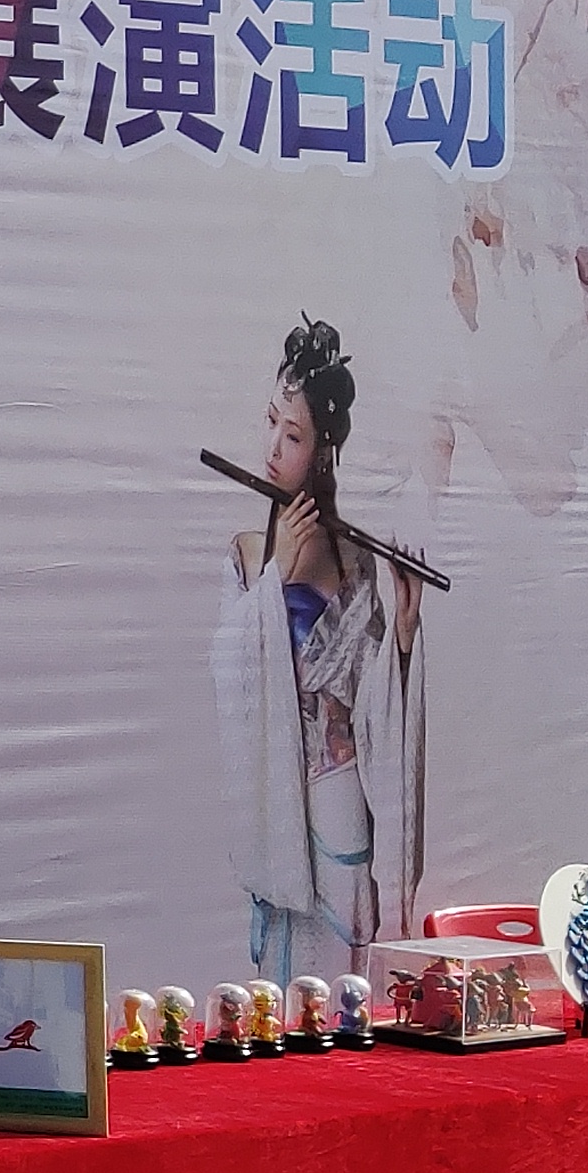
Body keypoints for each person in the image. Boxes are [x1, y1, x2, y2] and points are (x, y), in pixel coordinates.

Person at [212, 317, 424, 983]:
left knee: (338, 982)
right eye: (271, 423)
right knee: (280, 989)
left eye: (294, 435)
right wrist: (275, 574)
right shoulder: (248, 552)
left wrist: (404, 632)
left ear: (324, 450)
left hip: (341, 794)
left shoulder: (357, 560)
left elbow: (370, 704)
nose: (273, 447)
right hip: (278, 797)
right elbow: (229, 675)